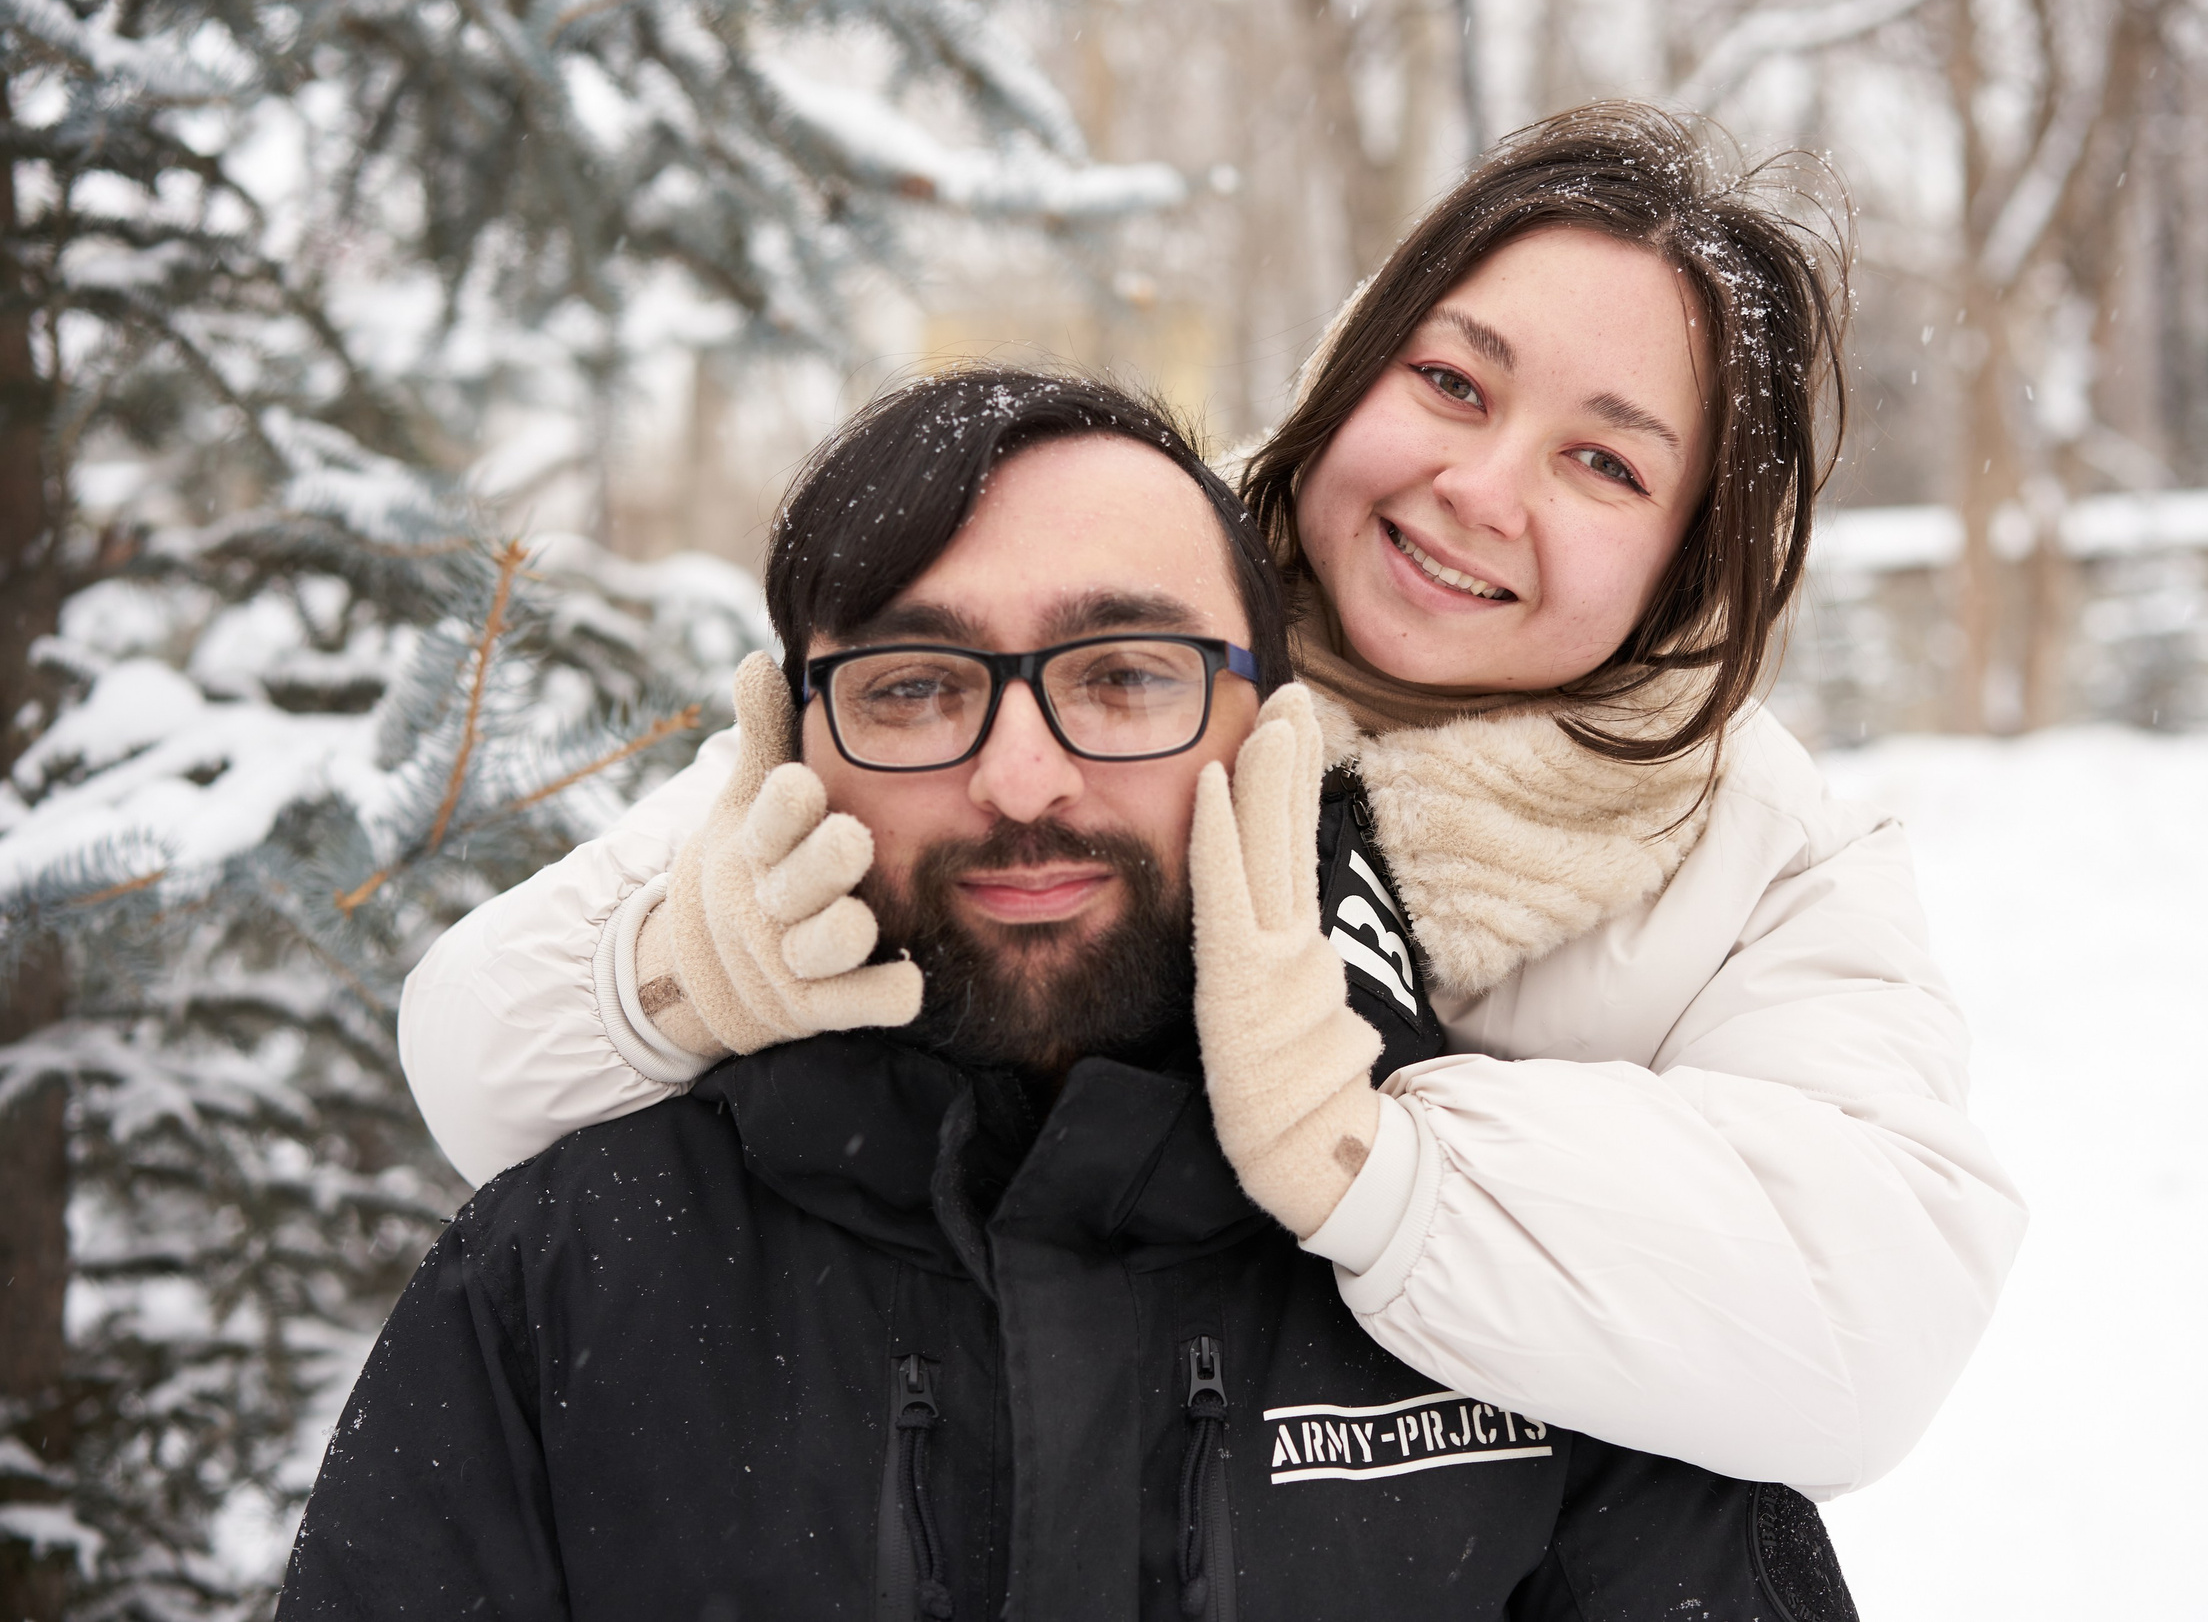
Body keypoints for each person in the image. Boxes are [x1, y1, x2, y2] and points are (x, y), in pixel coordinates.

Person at [399, 101, 2028, 1497]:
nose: (1479, 487)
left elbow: (1866, 1321)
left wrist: (1377, 1155)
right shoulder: (1098, 616)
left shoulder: (1747, 851)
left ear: (1689, 557)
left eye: (1605, 463)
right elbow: (476, 1068)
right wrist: (671, 973)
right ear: (1347, 376)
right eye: (1455, 386)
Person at [279, 373, 1860, 1622]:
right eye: (915, 687)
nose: (1019, 779)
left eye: (1123, 676)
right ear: (786, 747)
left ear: (1267, 737)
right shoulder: (565, 1280)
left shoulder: (1524, 1267)